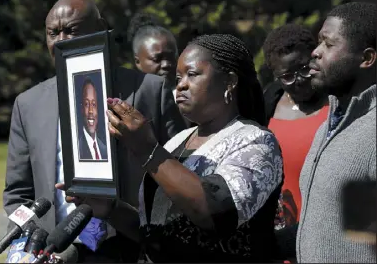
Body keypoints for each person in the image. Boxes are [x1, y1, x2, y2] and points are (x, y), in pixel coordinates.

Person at [60, 34, 284, 262]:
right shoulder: (178, 141)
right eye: (178, 78)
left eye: (192, 74)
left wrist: (148, 150)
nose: (181, 85)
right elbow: (156, 231)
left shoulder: (256, 141)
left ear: (230, 81)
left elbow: (215, 214)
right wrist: (111, 209)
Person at [3, 0, 186, 262]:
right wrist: (29, 241)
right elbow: (18, 193)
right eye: (53, 33)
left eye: (72, 30)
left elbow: (179, 173)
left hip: (133, 248)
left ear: (101, 30)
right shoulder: (28, 104)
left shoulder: (149, 90)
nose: (62, 40)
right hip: (57, 251)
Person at [296, 2, 376, 263]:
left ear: (366, 59)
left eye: (329, 45)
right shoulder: (329, 125)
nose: (315, 53)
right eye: (319, 43)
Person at [262, 24, 329, 231]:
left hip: (328, 226)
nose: (299, 80)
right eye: (287, 76)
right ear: (275, 75)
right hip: (281, 231)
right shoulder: (266, 107)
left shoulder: (339, 102)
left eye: (304, 68)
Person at [127, 12, 178, 95]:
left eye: (171, 57)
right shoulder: (127, 99)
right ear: (137, 61)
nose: (166, 64)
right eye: (157, 59)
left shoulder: (189, 99)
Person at [78, 78, 107, 160]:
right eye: (87, 104)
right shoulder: (77, 149)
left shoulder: (105, 150)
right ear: (81, 109)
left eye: (94, 104)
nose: (91, 111)